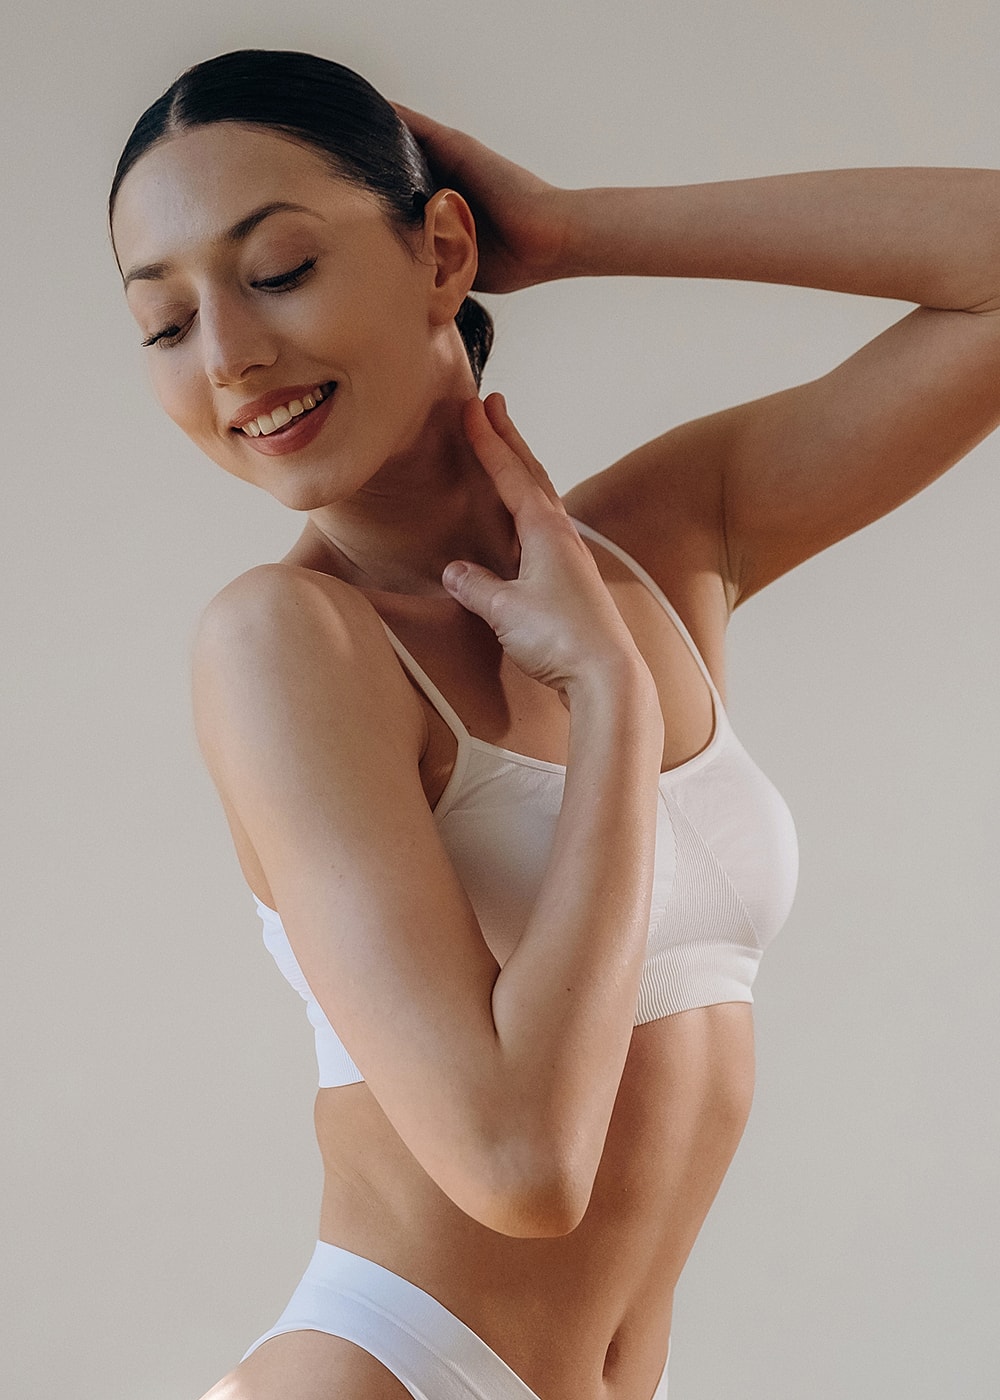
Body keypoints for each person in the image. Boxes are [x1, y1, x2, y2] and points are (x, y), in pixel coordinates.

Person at [108, 47, 1000, 1400]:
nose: (228, 355)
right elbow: (522, 1166)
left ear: (444, 249)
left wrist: (575, 230)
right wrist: (615, 707)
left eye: (279, 269)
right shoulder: (289, 646)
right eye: (165, 325)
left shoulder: (661, 545)